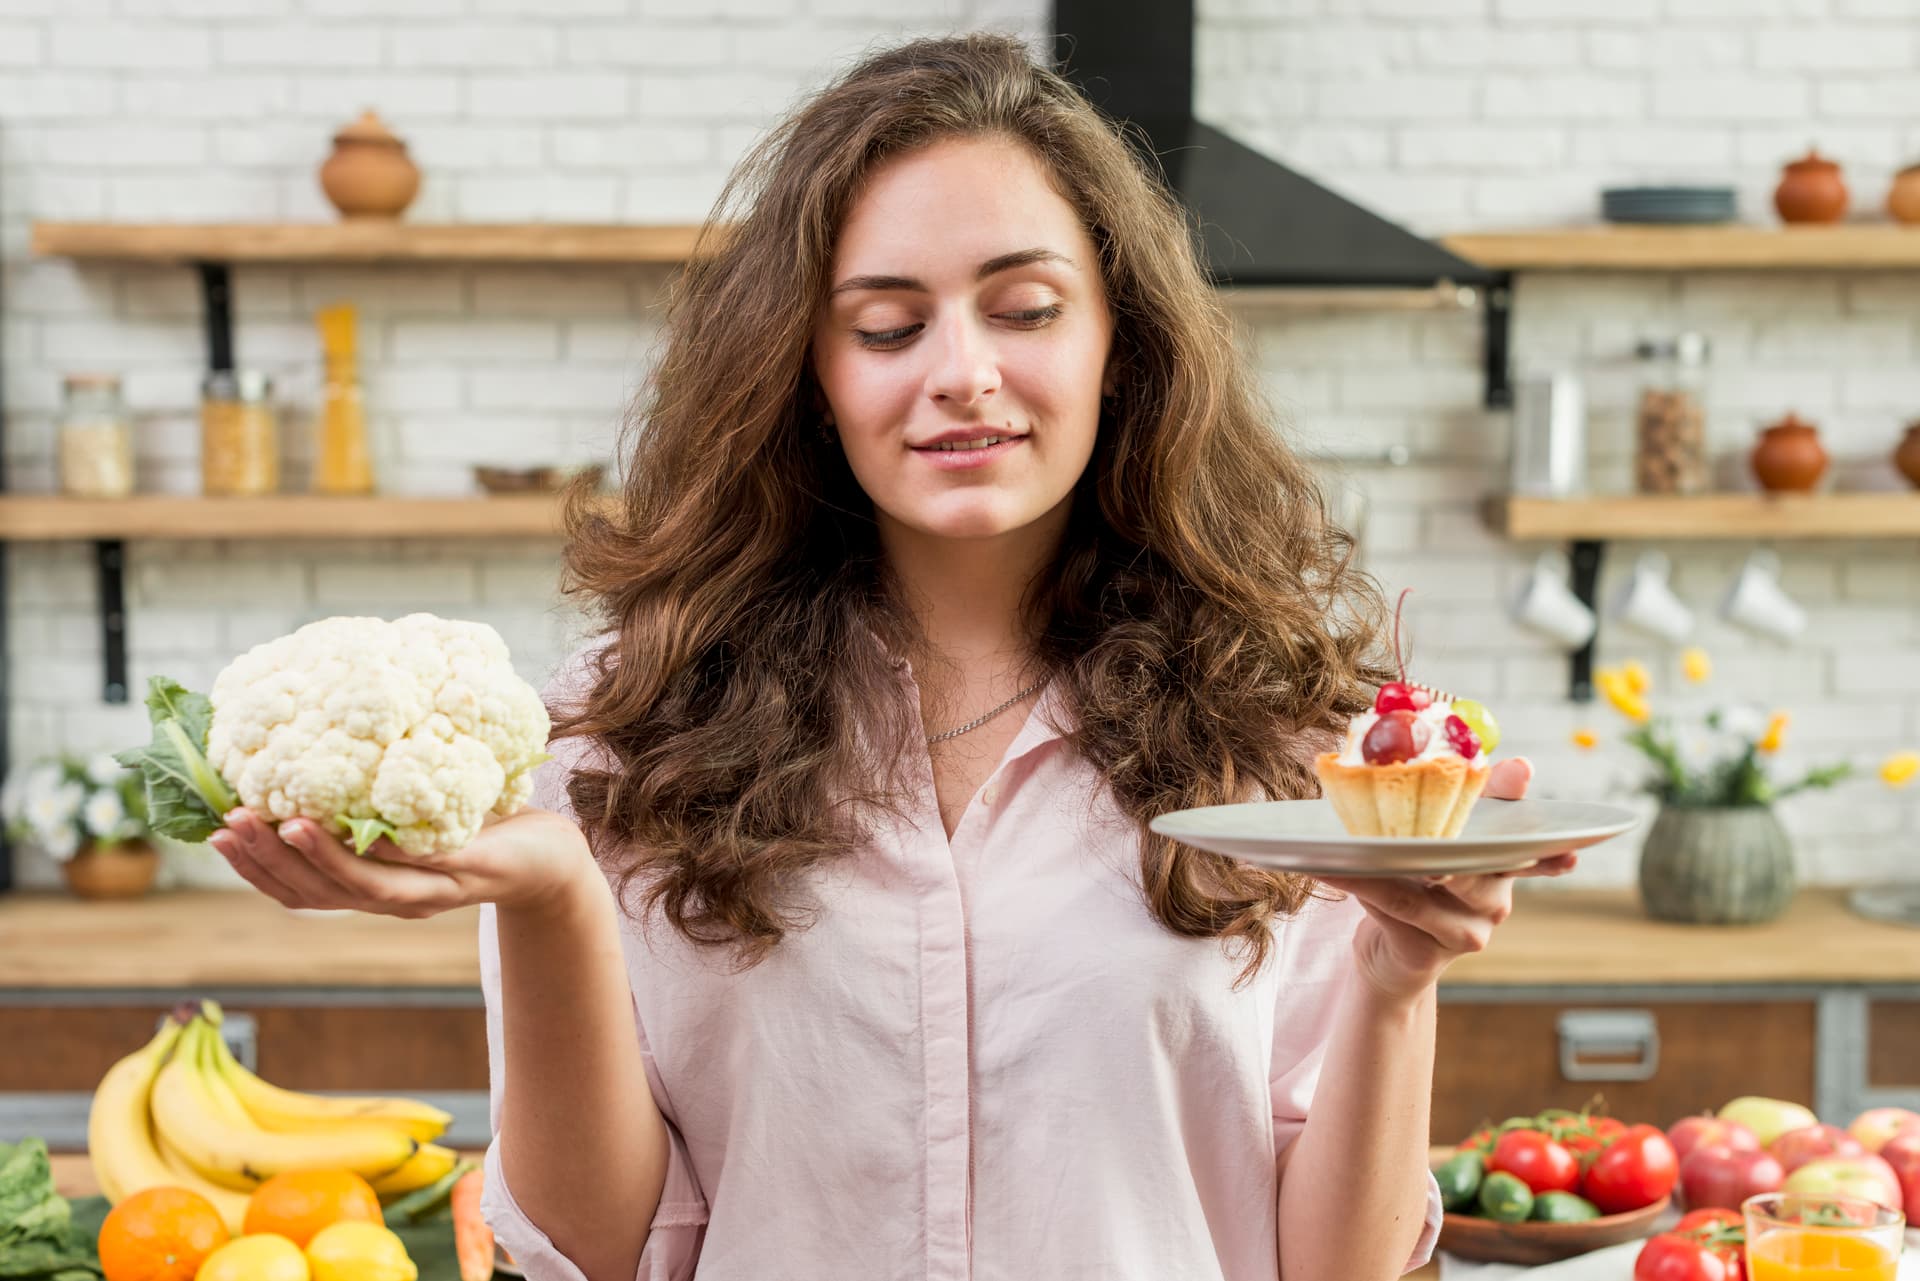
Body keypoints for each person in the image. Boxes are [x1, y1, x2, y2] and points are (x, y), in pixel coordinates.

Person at [208, 33, 1574, 1281]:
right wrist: (556, 897)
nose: (961, 372)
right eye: (887, 324)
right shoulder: (622, 726)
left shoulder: (1282, 747)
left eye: (1026, 307)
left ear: (1121, 345)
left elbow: (1332, 1267)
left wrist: (1399, 977)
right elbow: (600, 1254)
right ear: (810, 369)